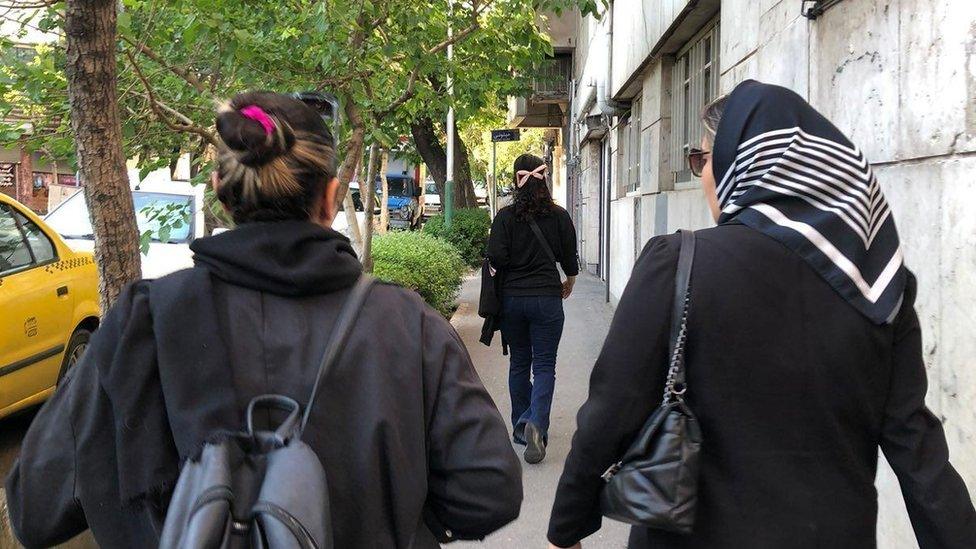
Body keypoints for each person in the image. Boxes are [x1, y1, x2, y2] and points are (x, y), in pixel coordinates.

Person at [5, 92, 522, 549]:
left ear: (219, 192)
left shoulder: (144, 320)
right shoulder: (407, 325)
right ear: (332, 195)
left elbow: (35, 508)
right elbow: (489, 492)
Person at [547, 80, 976, 548]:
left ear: (743, 163)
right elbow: (918, 451)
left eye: (703, 159)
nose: (703, 176)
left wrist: (566, 528)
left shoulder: (678, 263)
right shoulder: (878, 287)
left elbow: (610, 410)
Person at [487, 153, 579, 465]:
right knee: (544, 366)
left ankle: (519, 427)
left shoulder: (505, 217)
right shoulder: (559, 216)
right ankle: (537, 423)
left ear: (516, 181)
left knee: (518, 364)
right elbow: (569, 257)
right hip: (547, 300)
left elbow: (496, 257)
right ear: (544, 179)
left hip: (513, 301)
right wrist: (570, 280)